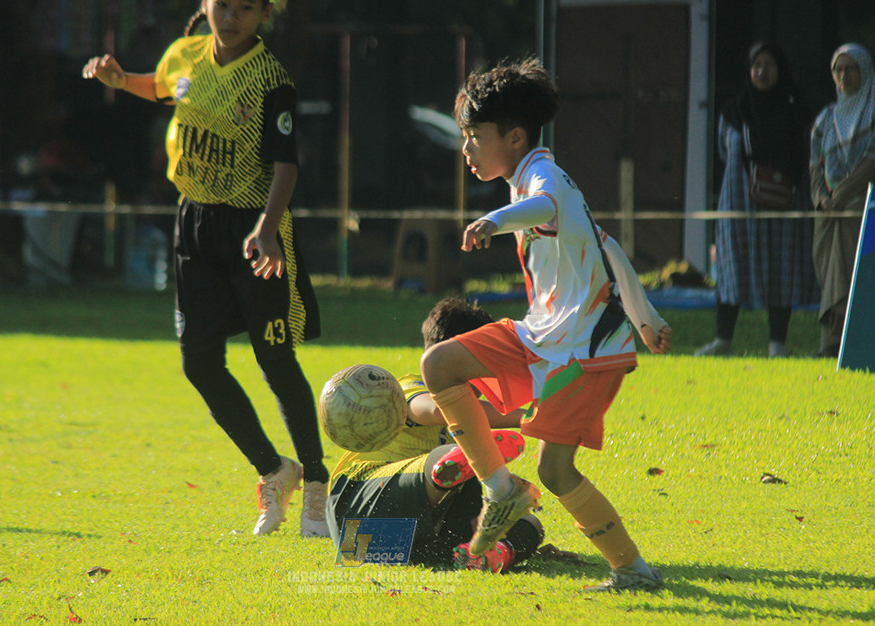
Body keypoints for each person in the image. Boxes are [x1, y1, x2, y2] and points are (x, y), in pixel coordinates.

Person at [82, 0, 329, 537]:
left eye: (246, 7)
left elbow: (286, 165)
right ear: (205, 1)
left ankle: (317, 485)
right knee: (198, 362)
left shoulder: (271, 80)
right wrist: (121, 80)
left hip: (254, 229)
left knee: (275, 359)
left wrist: (267, 228)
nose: (232, 15)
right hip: (194, 222)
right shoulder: (185, 55)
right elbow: (161, 87)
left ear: (264, 13)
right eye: (223, 3)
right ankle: (274, 471)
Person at [419, 57, 673, 592]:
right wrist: (647, 318)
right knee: (439, 364)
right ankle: (500, 489)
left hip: (585, 352)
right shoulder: (533, 181)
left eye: (475, 136)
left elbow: (543, 205)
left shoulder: (543, 178)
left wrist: (494, 221)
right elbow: (607, 247)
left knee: (556, 471)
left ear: (514, 137)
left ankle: (632, 570)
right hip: (545, 335)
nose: (466, 148)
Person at [326, 298, 544, 573]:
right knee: (464, 453)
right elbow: (429, 409)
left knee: (529, 525)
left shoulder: (467, 426)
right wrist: (530, 418)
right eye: (487, 360)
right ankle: (448, 468)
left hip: (372, 544)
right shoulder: (410, 386)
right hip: (356, 505)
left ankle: (486, 553)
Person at [696, 42, 819, 358]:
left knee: (782, 266)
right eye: (757, 65)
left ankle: (777, 343)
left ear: (781, 69)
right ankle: (723, 340)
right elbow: (724, 151)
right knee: (733, 265)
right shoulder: (734, 111)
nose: (762, 71)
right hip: (740, 200)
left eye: (769, 65)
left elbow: (808, 152)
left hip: (785, 201)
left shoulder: (795, 109)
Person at [809, 43, 875, 358]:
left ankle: (844, 345)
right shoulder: (825, 119)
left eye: (851, 69)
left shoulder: (872, 113)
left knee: (853, 272)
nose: (844, 76)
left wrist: (843, 195)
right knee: (829, 273)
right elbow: (815, 166)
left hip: (862, 207)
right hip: (829, 211)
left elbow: (871, 161)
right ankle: (829, 342)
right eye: (838, 69)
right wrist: (821, 198)